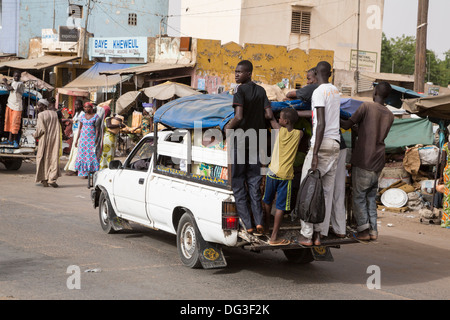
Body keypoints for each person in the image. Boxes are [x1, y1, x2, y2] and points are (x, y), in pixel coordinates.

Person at [340, 81, 394, 241]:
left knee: (358, 196)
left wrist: (333, 115)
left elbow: (347, 124)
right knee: (370, 197)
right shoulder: (389, 114)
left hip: (364, 159)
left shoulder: (366, 107)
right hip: (378, 160)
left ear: (375, 92)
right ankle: (373, 231)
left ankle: (363, 231)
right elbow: (373, 131)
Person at [224, 60, 273, 235]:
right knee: (254, 183)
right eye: (235, 71)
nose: (236, 74)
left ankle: (248, 224)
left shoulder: (239, 90)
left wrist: (227, 129)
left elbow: (238, 116)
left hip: (240, 140)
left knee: (238, 184)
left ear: (249, 73)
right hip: (257, 142)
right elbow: (268, 114)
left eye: (240, 72)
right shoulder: (261, 91)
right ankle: (259, 222)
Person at [297, 61, 341, 246]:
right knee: (324, 192)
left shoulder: (318, 92)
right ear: (330, 73)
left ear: (316, 73)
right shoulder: (336, 91)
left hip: (321, 145)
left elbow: (320, 122)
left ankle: (306, 234)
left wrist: (314, 153)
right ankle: (318, 234)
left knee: (308, 188)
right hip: (335, 144)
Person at [263, 108, 302, 245]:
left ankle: (266, 228)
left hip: (272, 172)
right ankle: (274, 236)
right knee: (280, 207)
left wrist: (268, 108)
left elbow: (270, 118)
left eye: (281, 118)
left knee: (267, 201)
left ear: (285, 121)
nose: (278, 119)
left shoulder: (279, 130)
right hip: (285, 175)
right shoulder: (299, 134)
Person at [34, 99, 61, 188]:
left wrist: (35, 135)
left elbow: (41, 129)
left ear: (44, 106)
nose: (38, 107)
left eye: (39, 105)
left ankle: (44, 179)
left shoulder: (41, 115)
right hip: (54, 139)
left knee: (42, 158)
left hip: (44, 139)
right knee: (53, 158)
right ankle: (52, 179)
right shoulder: (54, 114)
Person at [74, 102, 100, 178]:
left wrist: (96, 139)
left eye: (88, 107)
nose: (86, 109)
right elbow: (80, 128)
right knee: (82, 156)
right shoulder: (82, 116)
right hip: (83, 139)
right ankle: (83, 173)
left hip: (91, 139)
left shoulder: (96, 116)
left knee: (91, 155)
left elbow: (97, 129)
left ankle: (91, 172)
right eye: (85, 107)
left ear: (92, 108)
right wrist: (76, 140)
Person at [1, 71, 24, 148]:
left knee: (15, 124)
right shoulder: (13, 81)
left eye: (18, 76)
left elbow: (9, 88)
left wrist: (5, 82)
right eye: (15, 76)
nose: (16, 78)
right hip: (10, 105)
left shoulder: (20, 84)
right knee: (9, 123)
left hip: (17, 107)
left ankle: (14, 140)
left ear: (20, 77)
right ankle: (10, 140)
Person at [64, 100, 84, 175]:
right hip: (75, 133)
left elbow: (81, 125)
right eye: (75, 105)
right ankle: (74, 168)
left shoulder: (82, 114)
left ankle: (74, 168)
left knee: (76, 151)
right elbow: (74, 123)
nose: (76, 106)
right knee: (73, 151)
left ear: (81, 105)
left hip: (79, 134)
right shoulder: (76, 114)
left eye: (78, 105)